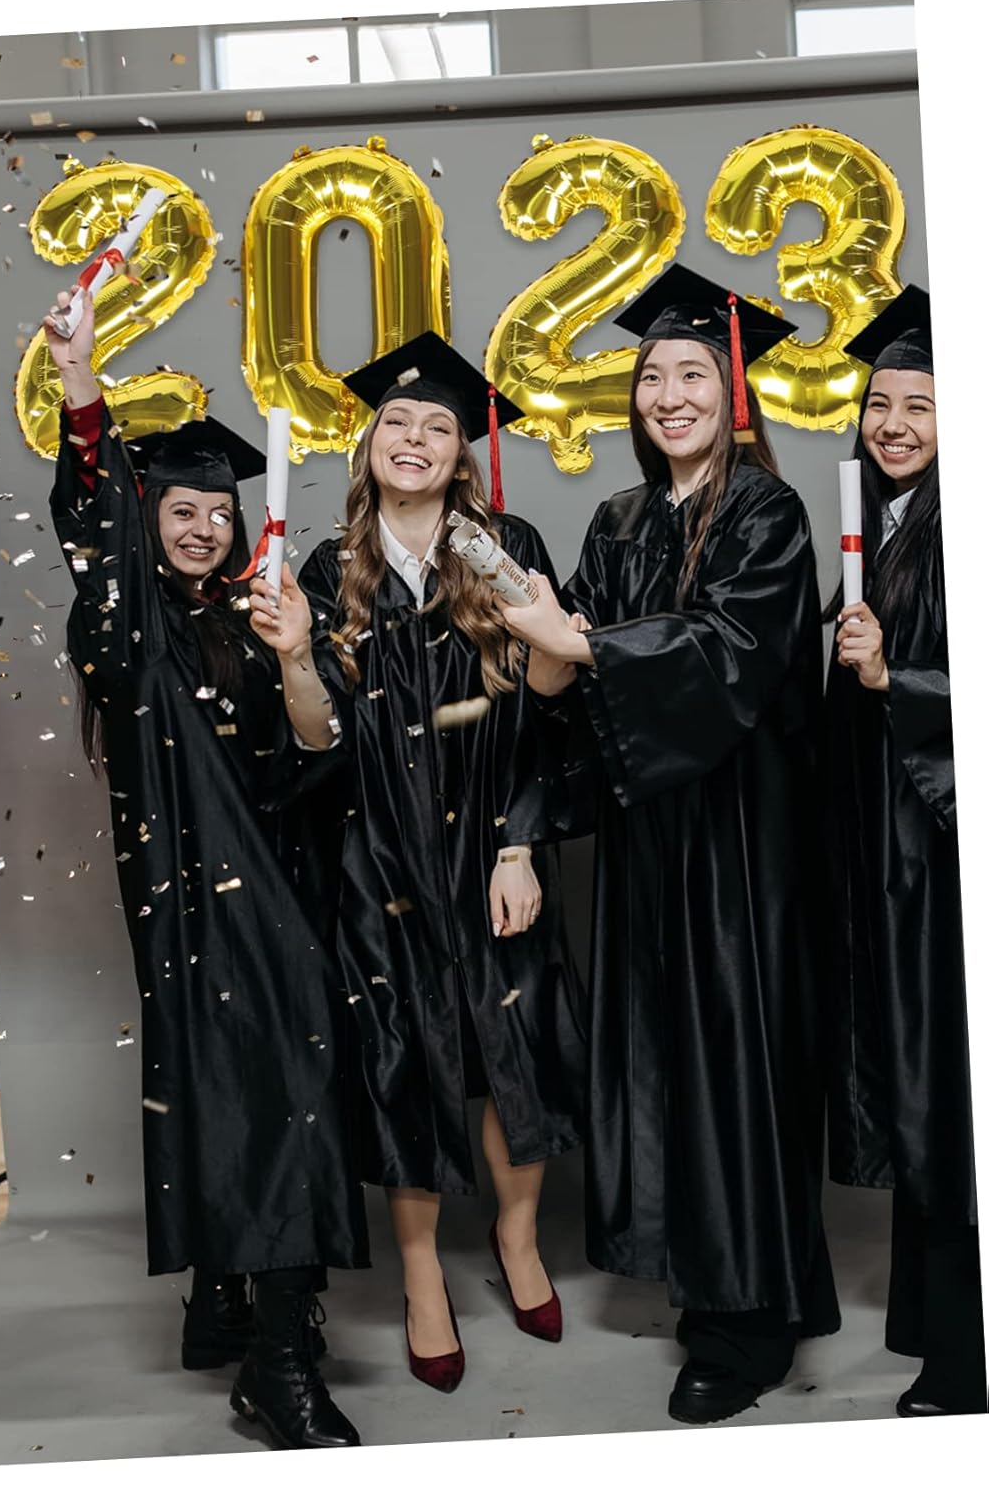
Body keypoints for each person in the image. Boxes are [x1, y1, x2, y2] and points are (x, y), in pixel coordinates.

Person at [497, 264, 840, 1424]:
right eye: (653, 376)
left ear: (734, 392)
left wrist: (580, 648)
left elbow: (731, 655)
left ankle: (749, 1325)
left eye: (694, 373)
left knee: (736, 1068)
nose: (670, 395)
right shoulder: (620, 520)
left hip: (744, 849)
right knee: (669, 1066)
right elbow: (570, 674)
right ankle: (714, 1280)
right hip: (653, 847)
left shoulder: (767, 513)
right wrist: (546, 651)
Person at [42, 288, 368, 1450]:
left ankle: (223, 1302)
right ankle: (277, 1363)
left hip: (283, 887)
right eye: (179, 510)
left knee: (241, 1090)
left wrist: (298, 657)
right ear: (147, 518)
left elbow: (319, 755)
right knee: (270, 1093)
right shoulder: (122, 625)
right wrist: (82, 383)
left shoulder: (259, 615)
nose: (202, 529)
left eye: (218, 513)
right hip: (195, 899)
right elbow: (96, 527)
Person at [248, 331, 587, 1396]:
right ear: (369, 445)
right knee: (403, 1063)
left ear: (460, 453)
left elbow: (549, 707)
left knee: (511, 1051)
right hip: (378, 862)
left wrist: (521, 841)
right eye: (396, 421)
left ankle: (517, 1241)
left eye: (438, 425)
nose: (414, 438)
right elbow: (317, 738)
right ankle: (421, 1276)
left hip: (493, 846)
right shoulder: (327, 570)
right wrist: (294, 656)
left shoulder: (505, 547)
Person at [822, 286, 983, 1417]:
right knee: (917, 1082)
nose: (893, 425)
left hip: (947, 851)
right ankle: (932, 1314)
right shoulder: (876, 523)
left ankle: (968, 1355)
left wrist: (896, 679)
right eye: (880, 403)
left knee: (953, 1091)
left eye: (920, 405)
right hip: (887, 850)